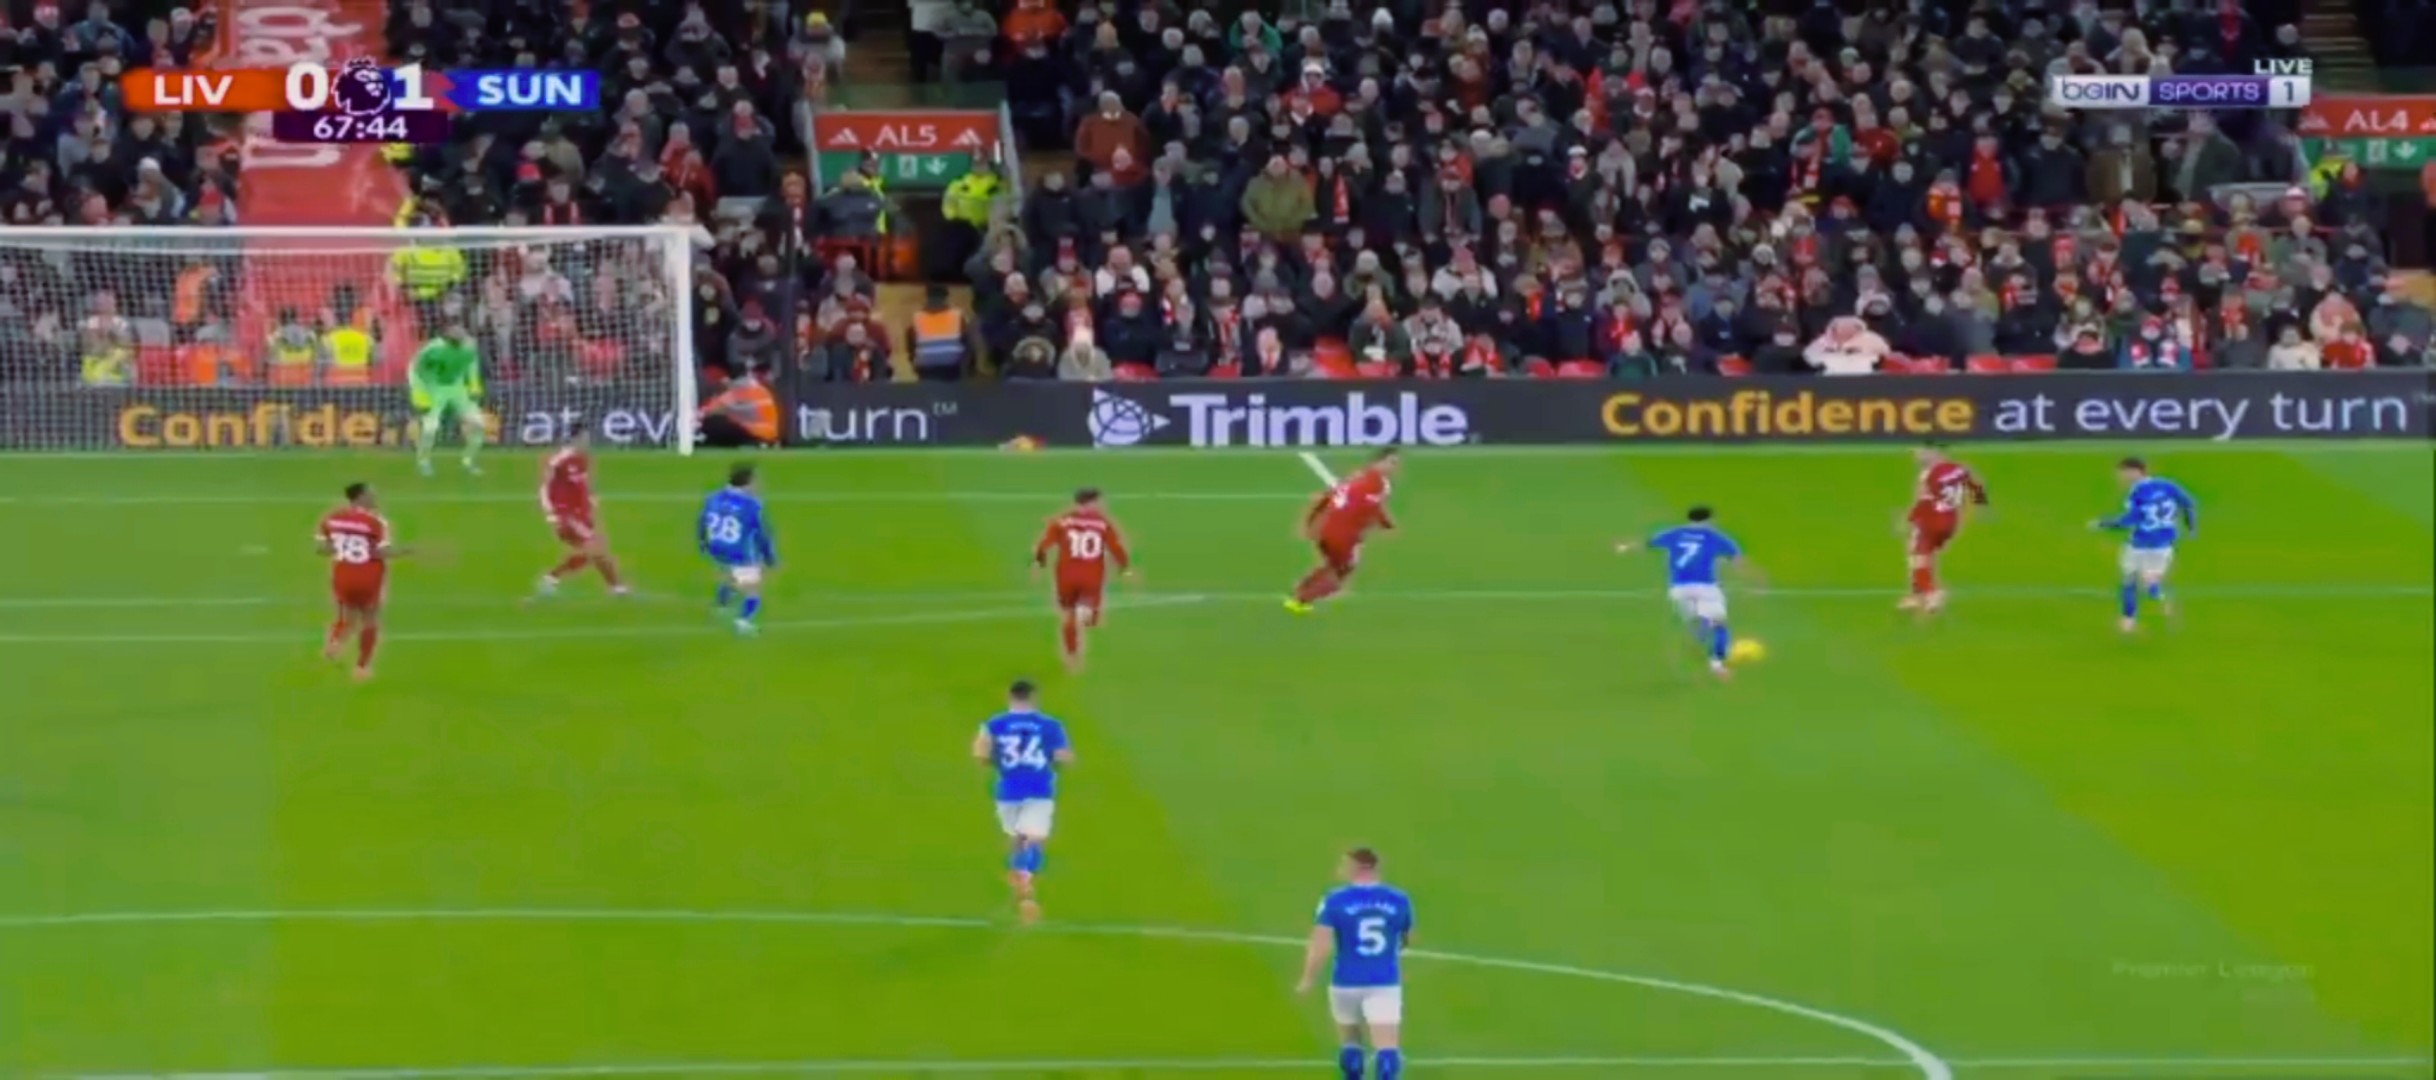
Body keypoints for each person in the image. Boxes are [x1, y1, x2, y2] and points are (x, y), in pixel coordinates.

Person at [1296, 847, 1414, 1080]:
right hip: (1384, 982)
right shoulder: (1399, 899)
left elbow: (1321, 943)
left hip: (1345, 982)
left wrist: (1307, 979)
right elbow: (1406, 938)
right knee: (1387, 1048)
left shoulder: (1335, 899)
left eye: (1344, 864)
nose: (1341, 868)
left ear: (1357, 868)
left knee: (1350, 1042)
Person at [971, 679, 1072, 923]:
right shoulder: (1050, 725)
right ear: (1033, 697)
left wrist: (1001, 761)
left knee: (1017, 839)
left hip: (1008, 790)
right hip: (1039, 789)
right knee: (1034, 839)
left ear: (1010, 697)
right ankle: (1026, 891)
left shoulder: (994, 724)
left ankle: (1019, 879)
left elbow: (981, 755)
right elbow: (1063, 757)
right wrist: (1050, 760)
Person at [1616, 506, 1746, 680]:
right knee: (1720, 625)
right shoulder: (1714, 536)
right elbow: (1736, 558)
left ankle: (1699, 634)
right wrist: (1749, 577)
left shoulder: (1674, 533)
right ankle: (1717, 666)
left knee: (1697, 621)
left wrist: (1624, 547)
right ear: (1708, 520)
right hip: (1706, 587)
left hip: (1679, 589)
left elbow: (1647, 544)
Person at [1286, 449, 1401, 614]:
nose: (1394, 467)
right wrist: (1385, 525)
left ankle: (1302, 587)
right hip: (1344, 536)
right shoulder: (1380, 485)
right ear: (1377, 462)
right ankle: (1301, 600)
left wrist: (1309, 523)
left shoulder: (1355, 477)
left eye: (1395, 463)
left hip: (1326, 531)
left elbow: (1326, 497)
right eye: (1391, 462)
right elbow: (1372, 508)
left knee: (1333, 565)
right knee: (1341, 575)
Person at [1032, 488, 1134, 672]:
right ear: (1092, 503)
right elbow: (1116, 547)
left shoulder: (1062, 520)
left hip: (1065, 577)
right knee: (1085, 618)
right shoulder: (1102, 523)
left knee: (1069, 615)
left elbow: (1044, 544)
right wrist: (1125, 568)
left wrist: (1039, 563)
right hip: (1091, 577)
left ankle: (1072, 653)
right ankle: (1082, 620)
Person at [2093, 458, 2198, 634]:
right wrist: (2191, 526)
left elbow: (2130, 520)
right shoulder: (2167, 485)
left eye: (2123, 473)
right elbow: (2188, 503)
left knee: (2129, 580)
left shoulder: (2138, 492)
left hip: (2140, 543)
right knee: (2149, 581)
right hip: (2163, 544)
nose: (2121, 477)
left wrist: (2103, 523)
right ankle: (2160, 600)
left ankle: (2128, 620)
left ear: (2135, 472)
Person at [316, 482, 405, 682]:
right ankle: (362, 667)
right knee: (370, 619)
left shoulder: (332, 518)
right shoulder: (376, 522)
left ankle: (333, 645)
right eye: (370, 494)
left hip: (342, 574)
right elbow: (382, 552)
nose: (375, 497)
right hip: (367, 575)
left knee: (347, 615)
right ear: (360, 497)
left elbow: (322, 549)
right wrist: (407, 552)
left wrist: (343, 548)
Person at [536, 422, 628, 599]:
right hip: (566, 515)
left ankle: (615, 588)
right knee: (596, 548)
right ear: (576, 438)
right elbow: (545, 487)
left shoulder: (583, 459)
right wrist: (551, 513)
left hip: (581, 515)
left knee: (594, 552)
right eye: (585, 437)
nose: (588, 441)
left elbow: (583, 485)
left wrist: (591, 501)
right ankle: (553, 578)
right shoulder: (559, 460)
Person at [1901, 444, 1990, 616]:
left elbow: (1923, 500)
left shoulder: (1927, 474)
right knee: (1926, 555)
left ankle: (1931, 594)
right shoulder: (1960, 469)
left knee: (1917, 556)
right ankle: (1917, 595)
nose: (1917, 457)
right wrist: (1981, 504)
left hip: (1931, 519)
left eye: (1921, 452)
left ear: (1935, 452)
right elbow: (1976, 485)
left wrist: (1911, 519)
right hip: (1951, 521)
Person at [698, 464, 777, 636]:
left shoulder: (713, 497)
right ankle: (743, 622)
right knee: (753, 588)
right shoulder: (751, 505)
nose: (758, 484)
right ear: (747, 482)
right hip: (737, 552)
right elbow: (762, 534)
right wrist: (769, 558)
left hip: (716, 547)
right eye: (755, 480)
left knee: (730, 575)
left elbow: (702, 520)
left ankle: (721, 606)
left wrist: (703, 542)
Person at [408, 321, 487, 476]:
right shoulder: (433, 348)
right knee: (430, 428)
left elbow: (471, 365)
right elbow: (414, 368)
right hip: (433, 387)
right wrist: (419, 392)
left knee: (478, 424)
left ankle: (468, 461)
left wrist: (474, 385)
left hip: (457, 387)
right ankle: (423, 462)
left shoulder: (469, 347)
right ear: (447, 337)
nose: (461, 340)